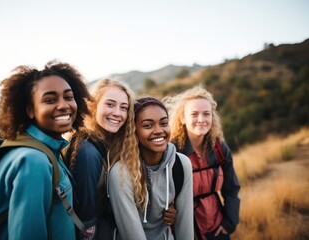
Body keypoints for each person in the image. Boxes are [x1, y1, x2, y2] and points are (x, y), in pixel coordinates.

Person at [0, 60, 91, 240]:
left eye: (69, 97)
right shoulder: (33, 161)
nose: (64, 105)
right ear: (30, 110)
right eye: (50, 100)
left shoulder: (47, 151)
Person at [64, 79, 176, 240]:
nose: (117, 113)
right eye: (110, 104)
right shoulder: (88, 153)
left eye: (123, 107)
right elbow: (86, 221)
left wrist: (164, 209)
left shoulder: (114, 144)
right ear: (94, 106)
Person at [108, 97, 194, 240]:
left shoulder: (181, 164)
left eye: (164, 123)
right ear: (134, 131)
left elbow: (185, 226)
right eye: (148, 125)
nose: (159, 130)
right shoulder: (121, 174)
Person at [168, 84, 240, 240]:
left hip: (216, 227)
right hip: (185, 230)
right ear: (183, 118)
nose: (201, 119)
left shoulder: (219, 147)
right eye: (194, 114)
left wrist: (229, 222)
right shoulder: (171, 152)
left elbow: (231, 188)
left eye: (206, 114)